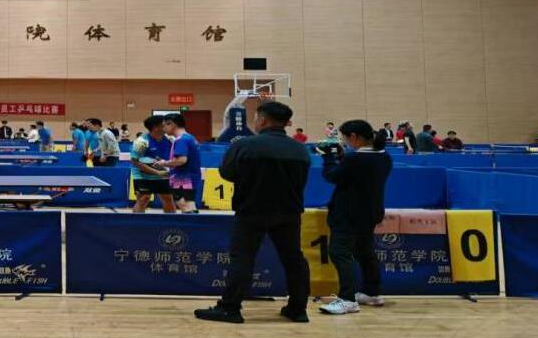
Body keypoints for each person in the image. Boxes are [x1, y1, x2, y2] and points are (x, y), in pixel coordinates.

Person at [195, 101, 310, 325]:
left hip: (251, 210)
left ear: (262, 120)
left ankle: (230, 308)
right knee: (293, 259)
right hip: (289, 212)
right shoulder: (300, 150)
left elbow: (227, 173)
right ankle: (298, 309)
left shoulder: (245, 146)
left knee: (243, 258)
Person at [317, 120, 392, 315]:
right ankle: (372, 293)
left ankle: (347, 299)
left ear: (354, 137)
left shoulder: (354, 159)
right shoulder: (384, 157)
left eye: (345, 138)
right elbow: (357, 178)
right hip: (370, 212)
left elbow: (333, 176)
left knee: (339, 251)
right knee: (364, 251)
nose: (344, 141)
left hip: (348, 213)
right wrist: (341, 158)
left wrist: (328, 158)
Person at [130, 115, 176, 214]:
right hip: (142, 174)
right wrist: (157, 172)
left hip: (163, 173)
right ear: (155, 127)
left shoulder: (170, 139)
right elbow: (134, 161)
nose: (168, 126)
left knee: (168, 198)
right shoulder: (141, 142)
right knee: (144, 199)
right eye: (165, 124)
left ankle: (171, 221)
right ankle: (136, 222)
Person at [162, 113, 201, 212]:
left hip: (184, 179)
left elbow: (181, 160)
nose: (163, 129)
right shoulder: (189, 137)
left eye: (164, 125)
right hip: (186, 177)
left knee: (185, 205)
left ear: (172, 124)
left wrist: (163, 163)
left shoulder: (182, 140)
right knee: (186, 205)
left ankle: (192, 222)